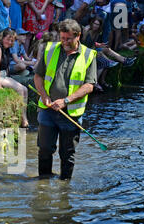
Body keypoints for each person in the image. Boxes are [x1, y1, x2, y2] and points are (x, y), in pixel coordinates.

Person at [34, 19, 97, 180]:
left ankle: (65, 186)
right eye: (62, 38)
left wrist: (66, 101)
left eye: (68, 39)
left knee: (67, 153)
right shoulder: (50, 49)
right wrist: (44, 96)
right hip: (48, 110)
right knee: (45, 149)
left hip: (71, 113)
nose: (64, 42)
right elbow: (38, 76)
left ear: (78, 36)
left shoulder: (89, 55)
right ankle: (44, 183)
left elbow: (89, 85)